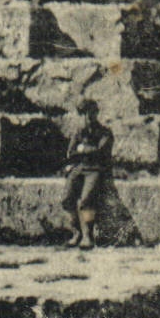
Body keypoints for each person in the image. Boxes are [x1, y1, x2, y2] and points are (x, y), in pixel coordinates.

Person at [61, 99, 113, 250]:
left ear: (96, 113)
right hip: (80, 168)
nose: (87, 117)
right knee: (67, 199)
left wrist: (82, 149)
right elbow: (70, 152)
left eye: (90, 113)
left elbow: (101, 151)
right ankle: (76, 233)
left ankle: (87, 235)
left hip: (95, 169)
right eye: (84, 114)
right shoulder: (79, 132)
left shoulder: (104, 132)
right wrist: (82, 151)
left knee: (86, 200)